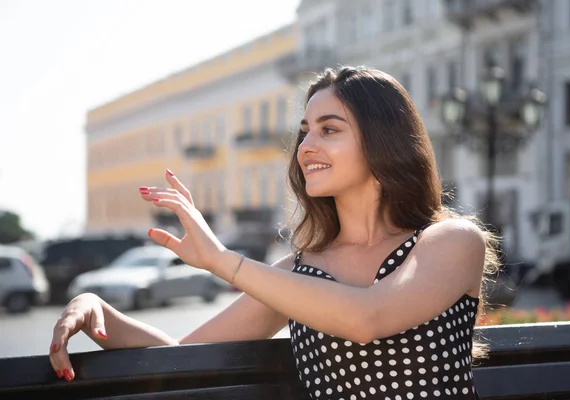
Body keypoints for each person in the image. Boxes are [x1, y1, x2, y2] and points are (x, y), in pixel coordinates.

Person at [49, 66, 500, 399]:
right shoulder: (301, 271)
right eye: (305, 132)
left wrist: (222, 260)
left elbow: (368, 319)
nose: (306, 147)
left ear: (383, 142)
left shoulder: (452, 242)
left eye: (329, 129)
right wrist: (97, 313)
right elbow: (181, 353)